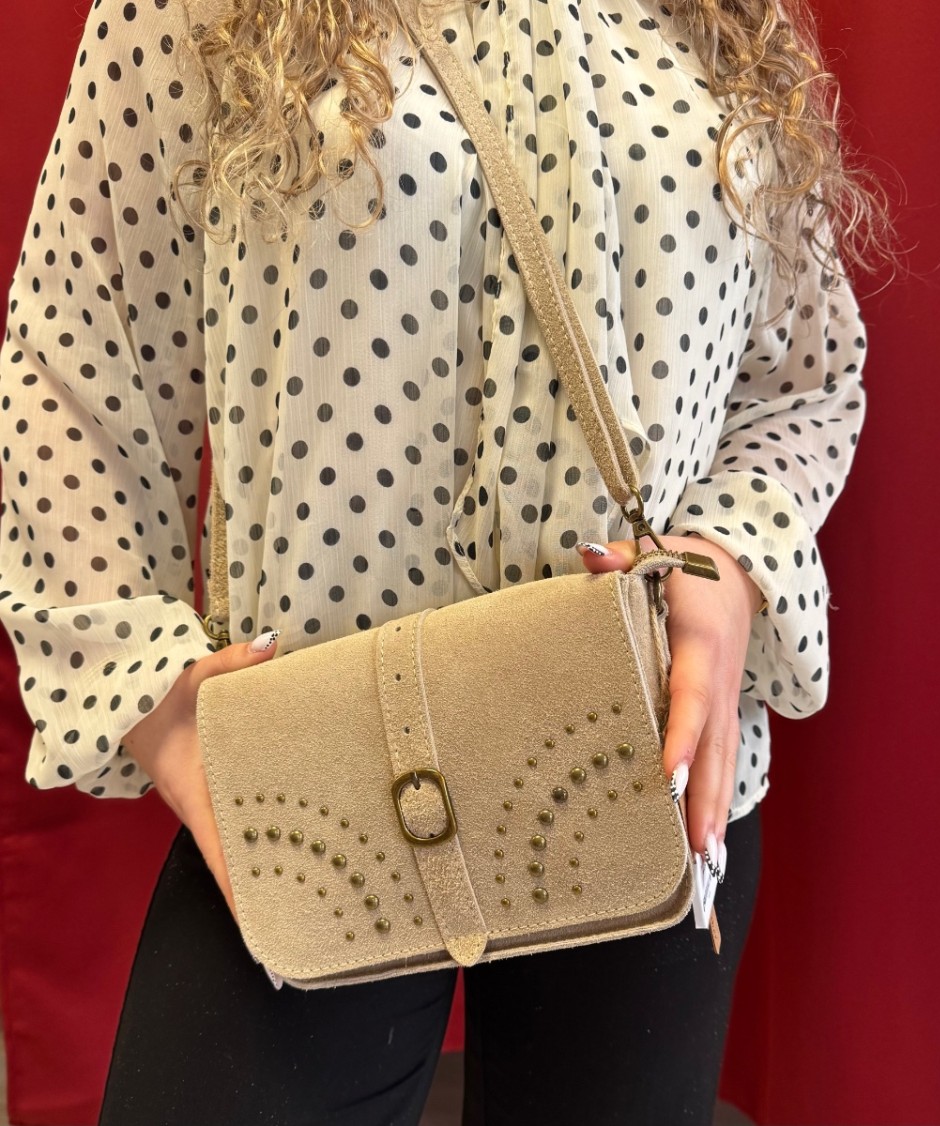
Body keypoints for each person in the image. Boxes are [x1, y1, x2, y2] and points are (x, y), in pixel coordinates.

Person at [0, 0, 882, 1121]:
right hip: (317, 760)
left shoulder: (719, 21)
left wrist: (725, 562)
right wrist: (156, 701)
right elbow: (74, 362)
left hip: (640, 748)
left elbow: (802, 378)